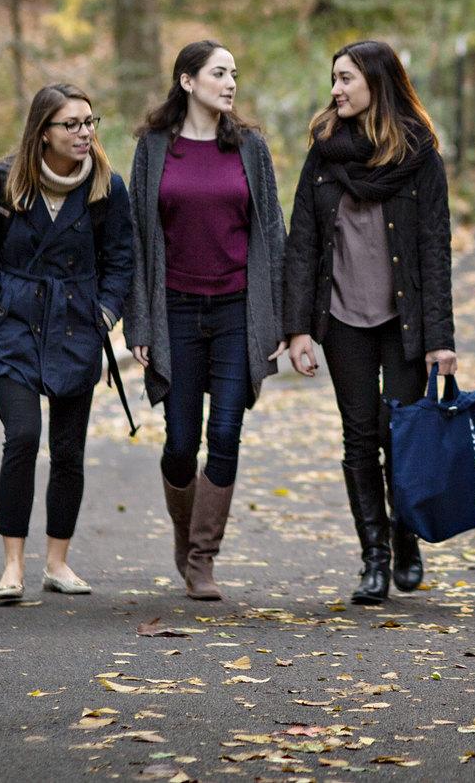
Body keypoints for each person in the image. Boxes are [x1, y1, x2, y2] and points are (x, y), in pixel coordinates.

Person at [282, 40, 459, 605]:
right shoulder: (324, 151)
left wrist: (441, 340)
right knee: (360, 435)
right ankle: (375, 558)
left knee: (399, 435)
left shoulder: (419, 156)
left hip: (403, 319)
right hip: (342, 318)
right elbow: (302, 243)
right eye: (333, 78)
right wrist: (298, 329)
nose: (335, 90)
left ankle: (407, 537)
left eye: (345, 79)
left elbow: (435, 248)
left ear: (376, 84)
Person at [0, 82, 133, 604]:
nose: (84, 133)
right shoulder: (3, 183)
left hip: (78, 325)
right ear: (43, 133)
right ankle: (13, 565)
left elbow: (121, 259)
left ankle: (58, 561)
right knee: (22, 437)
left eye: (89, 122)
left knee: (69, 451)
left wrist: (105, 311)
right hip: (14, 326)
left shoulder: (106, 186)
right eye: (71, 124)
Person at [123, 40, 287, 601]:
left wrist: (281, 321)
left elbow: (272, 231)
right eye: (219, 73)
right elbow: (138, 240)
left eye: (234, 74)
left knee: (225, 433)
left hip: (238, 309)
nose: (230, 83)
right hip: (176, 311)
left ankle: (202, 559)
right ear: (188, 81)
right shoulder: (152, 150)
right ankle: (184, 530)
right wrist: (138, 324)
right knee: (180, 442)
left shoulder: (249, 147)